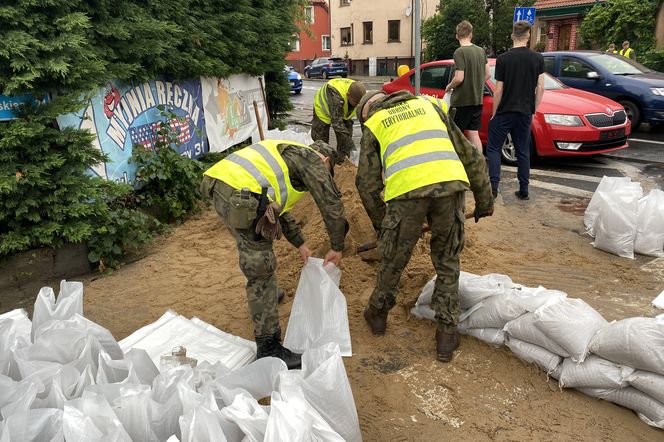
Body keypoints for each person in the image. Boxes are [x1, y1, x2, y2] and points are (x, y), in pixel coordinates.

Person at [354, 90, 494, 363]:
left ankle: (378, 314)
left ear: (367, 112)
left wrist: (384, 225)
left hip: (406, 195)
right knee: (447, 260)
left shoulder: (375, 122)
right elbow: (471, 156)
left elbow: (367, 184)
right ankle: (446, 334)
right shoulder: (430, 106)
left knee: (394, 259)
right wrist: (484, 200)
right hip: (450, 188)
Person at [200, 139, 348, 370]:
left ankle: (266, 299)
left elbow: (278, 208)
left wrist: (300, 243)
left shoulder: (285, 151)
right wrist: (338, 246)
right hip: (242, 196)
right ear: (326, 160)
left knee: (249, 243)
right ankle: (269, 347)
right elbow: (331, 204)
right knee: (261, 267)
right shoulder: (312, 159)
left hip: (220, 183)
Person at [486, 21, 544, 201]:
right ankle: (524, 189)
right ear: (528, 36)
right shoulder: (537, 58)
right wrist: (533, 109)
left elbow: (498, 90)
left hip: (504, 111)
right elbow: (541, 87)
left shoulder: (503, 59)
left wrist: (495, 112)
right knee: (523, 151)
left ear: (512, 36)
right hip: (525, 112)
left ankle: (494, 188)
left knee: (494, 148)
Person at [444, 20, 491, 152]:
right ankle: (479, 163)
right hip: (477, 100)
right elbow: (487, 74)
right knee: (473, 133)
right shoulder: (480, 51)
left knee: (455, 134)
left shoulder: (459, 52)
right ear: (471, 34)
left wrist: (449, 86)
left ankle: (455, 164)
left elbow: (459, 77)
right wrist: (476, 82)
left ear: (456, 35)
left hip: (462, 101)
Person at [312, 78, 366, 164]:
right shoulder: (336, 97)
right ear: (348, 95)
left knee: (345, 142)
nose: (357, 106)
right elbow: (337, 124)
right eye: (356, 103)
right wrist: (352, 146)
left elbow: (364, 119)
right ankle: (321, 165)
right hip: (322, 112)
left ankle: (341, 164)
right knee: (321, 144)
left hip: (343, 112)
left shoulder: (358, 92)